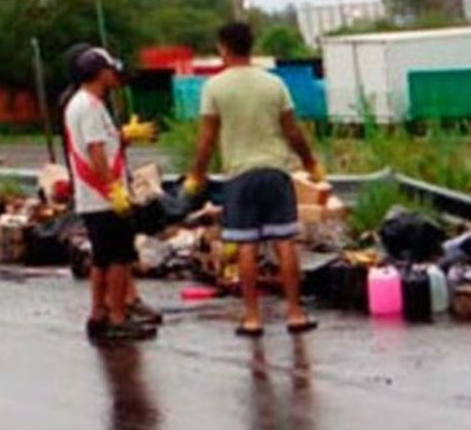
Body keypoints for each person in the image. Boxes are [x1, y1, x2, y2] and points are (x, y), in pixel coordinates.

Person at [186, 22, 322, 337]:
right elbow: (293, 131)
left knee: (246, 245)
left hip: (239, 175)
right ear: (251, 45)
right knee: (284, 241)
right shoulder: (274, 85)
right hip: (275, 171)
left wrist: (197, 174)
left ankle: (252, 318)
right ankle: (295, 313)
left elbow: (207, 139)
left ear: (223, 47)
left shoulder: (215, 88)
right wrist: (311, 163)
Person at [58, 42, 161, 329]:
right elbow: (95, 150)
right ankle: (117, 316)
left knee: (102, 259)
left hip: (94, 197)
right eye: (109, 70)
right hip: (103, 197)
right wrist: (112, 189)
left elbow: (102, 142)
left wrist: (123, 136)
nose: (114, 75)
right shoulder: (89, 106)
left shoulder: (81, 103)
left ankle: (98, 313)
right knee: (119, 257)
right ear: (97, 72)